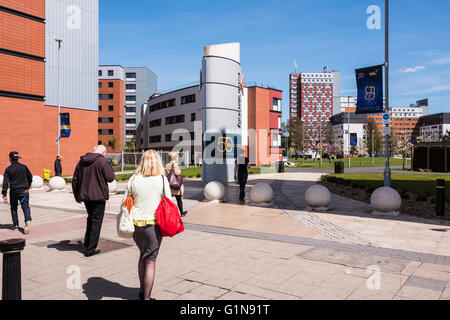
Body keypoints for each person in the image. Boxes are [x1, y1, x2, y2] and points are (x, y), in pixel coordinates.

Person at [125, 150, 175, 300]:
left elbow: (127, 201)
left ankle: (142, 291)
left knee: (143, 254)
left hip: (136, 226)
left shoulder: (134, 178)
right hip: (154, 226)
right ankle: (146, 298)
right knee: (151, 260)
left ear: (143, 161)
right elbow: (169, 201)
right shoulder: (161, 179)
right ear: (158, 161)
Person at [72, 145, 115, 257]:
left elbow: (75, 180)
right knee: (96, 222)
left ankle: (87, 245)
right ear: (104, 152)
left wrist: (77, 196)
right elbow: (110, 178)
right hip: (98, 196)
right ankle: (90, 249)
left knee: (90, 219)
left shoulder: (81, 161)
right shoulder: (102, 161)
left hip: (86, 197)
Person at [2, 151, 33, 233]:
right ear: (18, 158)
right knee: (25, 206)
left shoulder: (8, 169)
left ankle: (15, 225)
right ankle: (28, 220)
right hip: (24, 191)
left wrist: (4, 194)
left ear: (10, 159)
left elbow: (5, 182)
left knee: (13, 208)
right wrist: (28, 186)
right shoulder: (24, 167)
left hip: (14, 192)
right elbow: (30, 177)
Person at [165, 152, 187, 217]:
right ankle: (182, 212)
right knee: (179, 199)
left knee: (169, 200)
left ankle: (168, 213)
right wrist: (179, 170)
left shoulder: (167, 165)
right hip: (175, 185)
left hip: (170, 184)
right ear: (175, 158)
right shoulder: (175, 164)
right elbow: (177, 173)